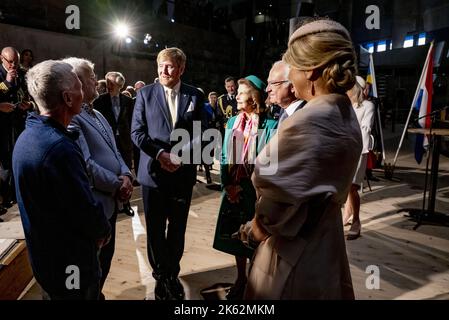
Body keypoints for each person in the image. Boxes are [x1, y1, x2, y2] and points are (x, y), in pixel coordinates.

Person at [239, 18, 362, 299]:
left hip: (294, 253)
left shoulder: (309, 122)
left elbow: (278, 203)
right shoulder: (345, 115)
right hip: (327, 245)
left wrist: (255, 231)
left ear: (310, 70)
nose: (290, 76)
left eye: (293, 66)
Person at [12, 60, 111, 300]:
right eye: (78, 83)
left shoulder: (30, 135)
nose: (84, 87)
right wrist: (103, 230)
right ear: (68, 98)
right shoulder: (58, 149)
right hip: (70, 266)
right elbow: (83, 209)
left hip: (48, 262)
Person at [131, 47, 204, 300]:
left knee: (177, 228)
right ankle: (160, 277)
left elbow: (201, 134)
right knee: (154, 228)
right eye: (161, 65)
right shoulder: (144, 94)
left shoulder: (195, 95)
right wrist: (160, 155)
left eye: (170, 66)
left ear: (181, 68)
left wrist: (180, 159)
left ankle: (172, 273)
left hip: (182, 175)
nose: (163, 70)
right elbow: (137, 133)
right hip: (153, 173)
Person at [65, 58, 134, 299]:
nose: (97, 79)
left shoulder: (99, 114)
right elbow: (86, 166)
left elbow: (115, 152)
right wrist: (118, 185)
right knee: (89, 273)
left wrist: (126, 174)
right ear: (77, 82)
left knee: (104, 264)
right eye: (91, 76)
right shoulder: (72, 117)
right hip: (95, 205)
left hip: (111, 204)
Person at [213, 75, 277, 300]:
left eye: (241, 93)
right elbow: (224, 155)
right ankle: (241, 277)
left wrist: (262, 192)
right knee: (236, 236)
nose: (237, 96)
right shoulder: (232, 123)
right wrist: (227, 185)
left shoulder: (270, 125)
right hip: (234, 188)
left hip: (256, 191)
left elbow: (271, 161)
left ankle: (253, 279)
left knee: (256, 237)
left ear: (254, 98)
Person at [94, 71, 135, 217]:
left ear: (119, 84)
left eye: (111, 83)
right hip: (106, 142)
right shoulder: (99, 101)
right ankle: (113, 203)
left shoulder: (129, 102)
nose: (108, 85)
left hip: (124, 143)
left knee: (126, 173)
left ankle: (127, 203)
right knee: (111, 171)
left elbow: (132, 123)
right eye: (107, 82)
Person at [343, 76, 375, 240]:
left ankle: (356, 221)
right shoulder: (346, 107)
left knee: (352, 187)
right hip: (344, 150)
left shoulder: (367, 106)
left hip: (358, 151)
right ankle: (347, 215)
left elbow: (365, 129)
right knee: (346, 186)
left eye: (348, 88)